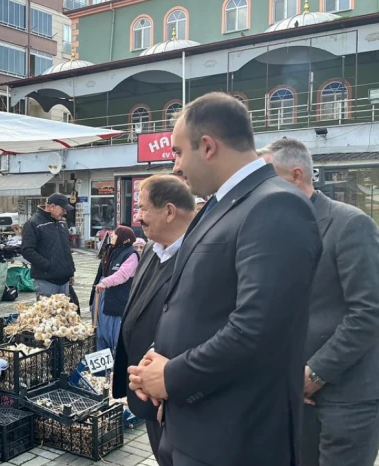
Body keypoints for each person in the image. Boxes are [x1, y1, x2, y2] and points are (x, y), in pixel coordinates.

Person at [127, 92, 322, 466]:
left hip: (234, 437)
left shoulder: (276, 205)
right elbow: (201, 304)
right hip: (193, 424)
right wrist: (161, 357)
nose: (176, 166)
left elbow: (257, 330)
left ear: (208, 146)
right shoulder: (221, 205)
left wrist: (173, 376)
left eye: (179, 152)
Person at [261, 138, 379, 466]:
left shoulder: (351, 224)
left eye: (267, 180)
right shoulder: (276, 232)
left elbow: (369, 311)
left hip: (346, 397)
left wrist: (315, 374)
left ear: (297, 175)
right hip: (294, 392)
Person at [112, 175, 196, 458]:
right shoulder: (150, 248)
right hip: (144, 391)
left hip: (171, 393)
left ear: (169, 211)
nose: (138, 216)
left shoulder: (197, 255)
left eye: (144, 208)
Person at [89, 225, 138, 351]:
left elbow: (122, 275)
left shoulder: (131, 255)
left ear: (124, 238)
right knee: (100, 331)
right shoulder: (110, 250)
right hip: (102, 295)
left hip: (116, 298)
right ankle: (102, 367)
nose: (112, 236)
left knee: (114, 333)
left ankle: (115, 366)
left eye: (115, 234)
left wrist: (105, 283)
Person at [21, 193, 76, 299]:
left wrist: (70, 271)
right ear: (52, 207)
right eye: (63, 209)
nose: (65, 212)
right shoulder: (33, 223)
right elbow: (27, 250)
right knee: (48, 314)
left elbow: (66, 249)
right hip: (46, 281)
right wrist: (48, 266)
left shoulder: (62, 222)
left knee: (63, 314)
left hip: (64, 281)